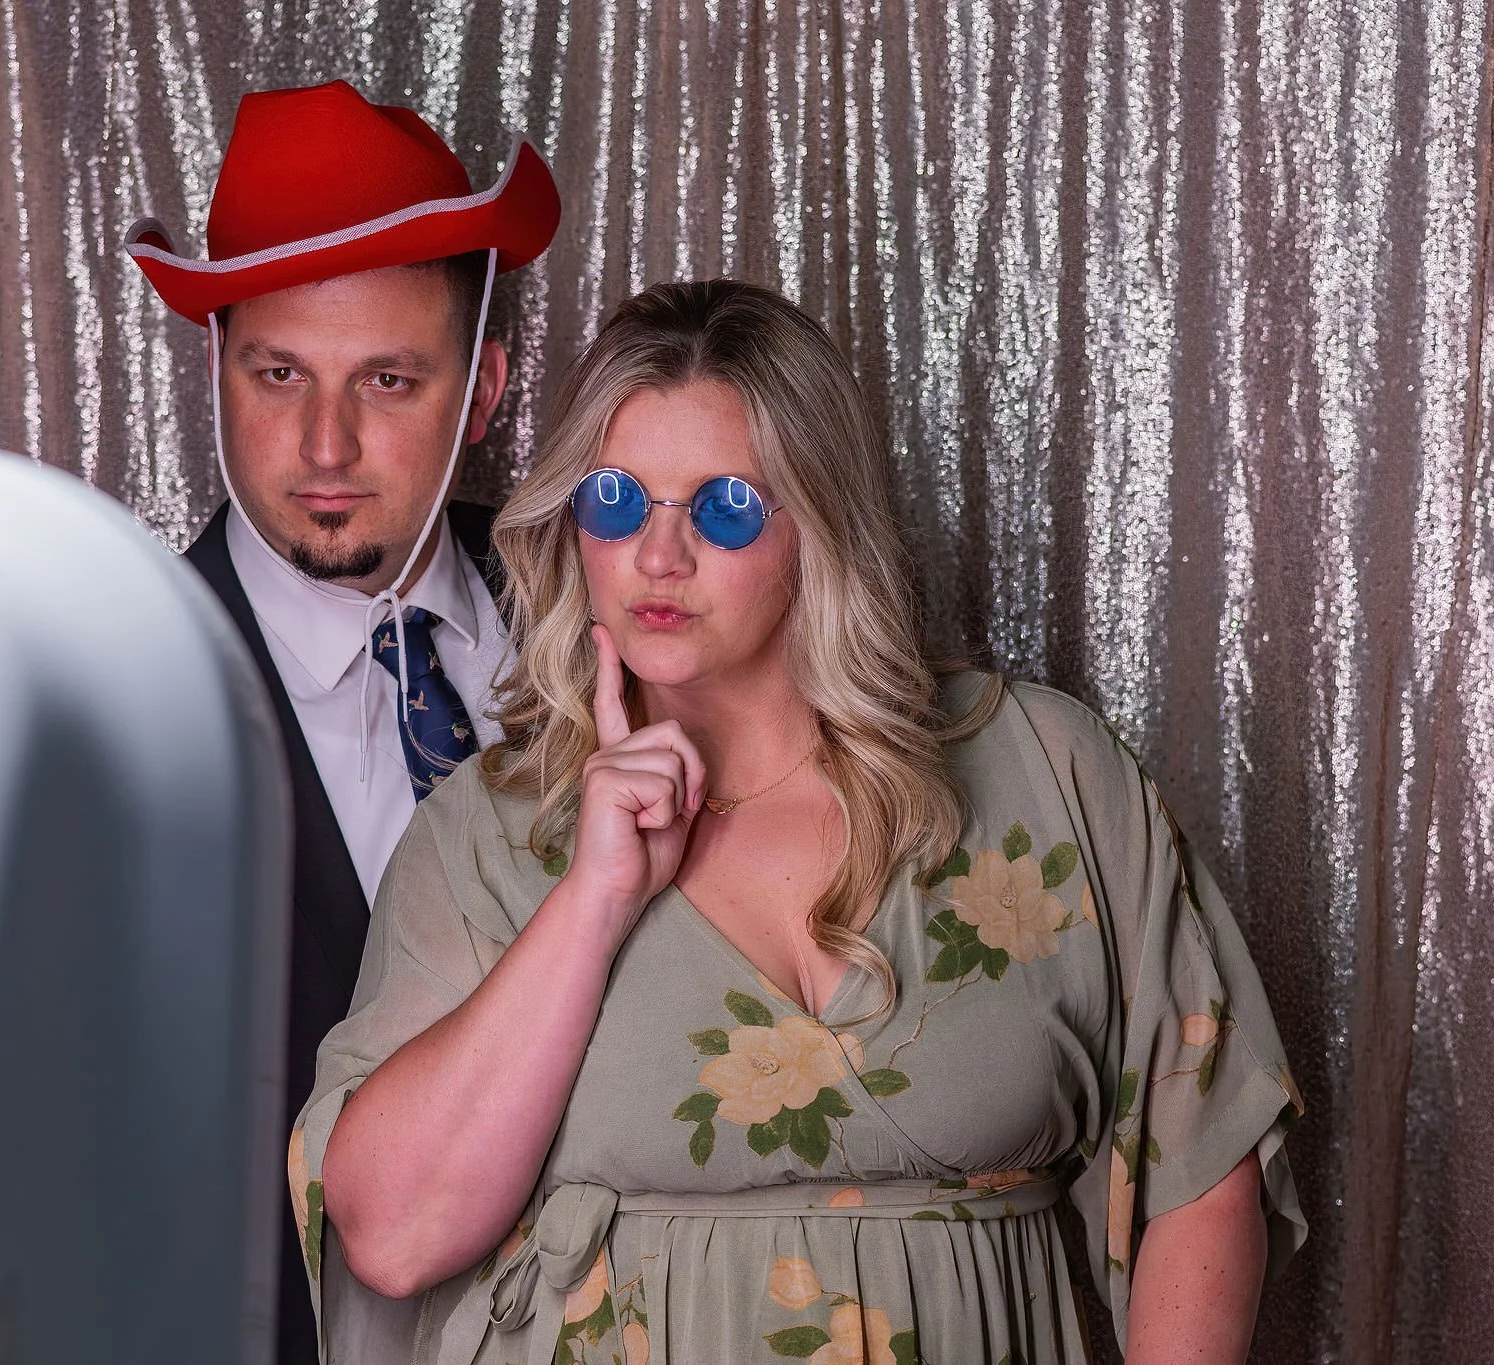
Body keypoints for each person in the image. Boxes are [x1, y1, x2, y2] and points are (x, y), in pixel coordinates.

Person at [289, 280, 1306, 1363]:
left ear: (819, 523)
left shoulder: (1044, 772)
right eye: (617, 502)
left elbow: (1199, 1160)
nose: (659, 555)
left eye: (723, 505)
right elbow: (392, 1240)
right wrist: (592, 900)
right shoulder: (488, 835)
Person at [120, 80, 560, 1363]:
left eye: (384, 379)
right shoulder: (118, 691)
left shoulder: (618, 614)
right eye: (276, 374)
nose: (324, 442)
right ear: (217, 370)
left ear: (479, 392)